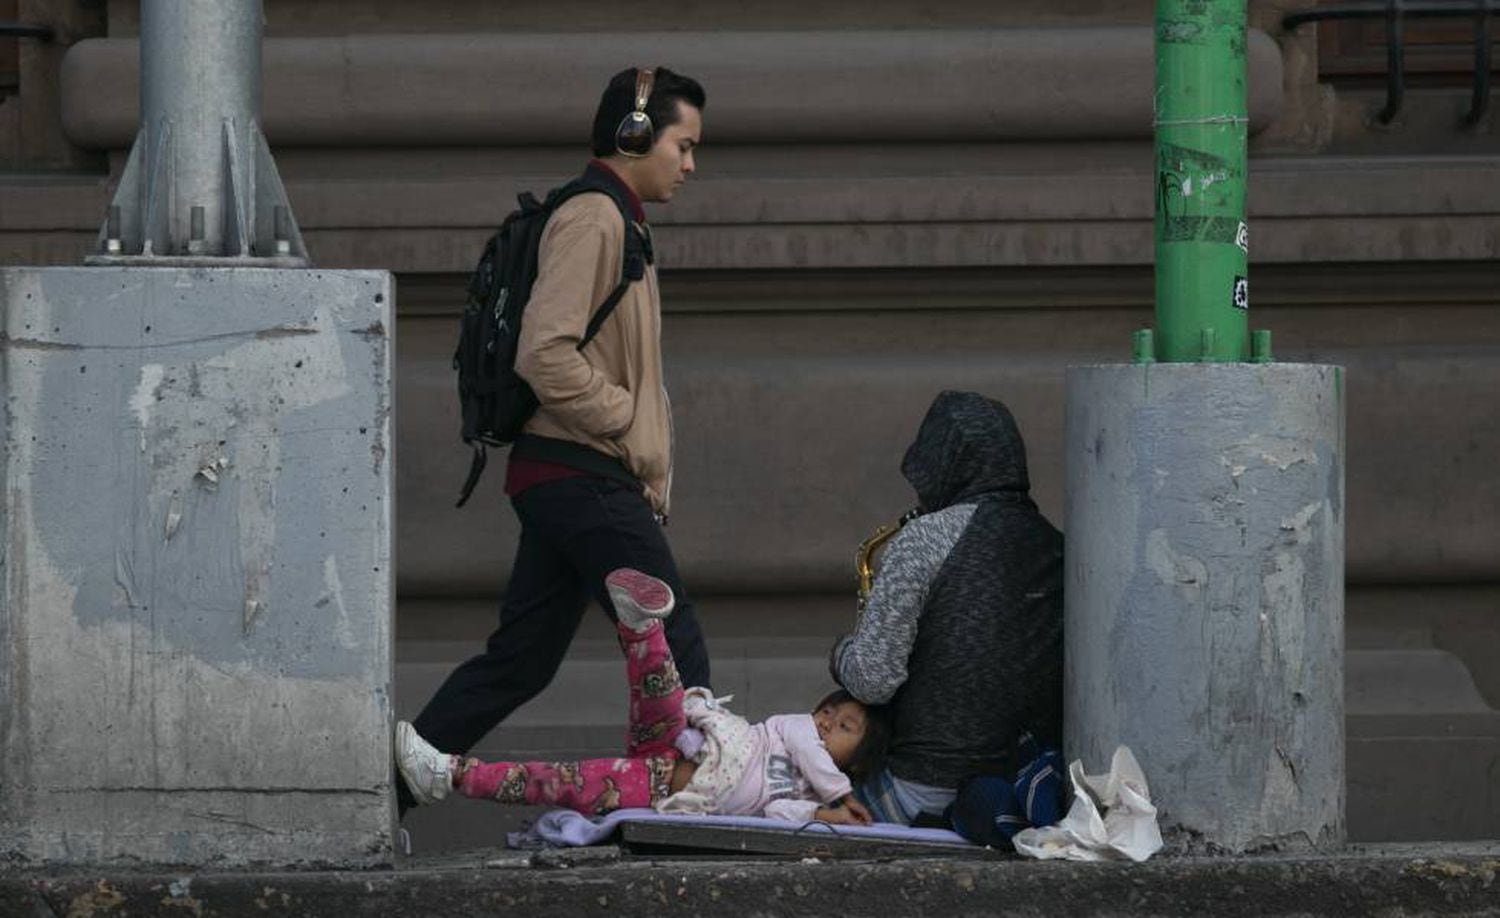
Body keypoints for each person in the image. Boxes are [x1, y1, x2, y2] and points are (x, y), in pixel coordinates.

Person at [399, 68, 711, 814]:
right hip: (581, 473)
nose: (691, 164)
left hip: (563, 475)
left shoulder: (619, 219)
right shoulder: (594, 219)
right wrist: (624, 420)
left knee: (521, 662)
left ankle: (385, 792)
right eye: (684, 145)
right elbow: (543, 353)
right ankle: (698, 801)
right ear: (635, 136)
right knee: (676, 642)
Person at [398, 569, 886, 825]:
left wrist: (822, 813)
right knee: (661, 692)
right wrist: (839, 795)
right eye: (829, 711)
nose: (826, 722)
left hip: (656, 790)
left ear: (857, 764)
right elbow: (806, 740)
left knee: (554, 782)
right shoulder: (794, 733)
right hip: (683, 741)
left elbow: (777, 817)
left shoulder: (802, 790)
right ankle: (640, 624)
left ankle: (444, 775)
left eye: (844, 728)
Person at [829, 391, 1065, 826]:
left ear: (944, 465)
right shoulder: (1055, 546)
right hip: (1026, 787)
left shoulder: (924, 539)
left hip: (924, 788)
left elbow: (873, 681)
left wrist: (841, 652)